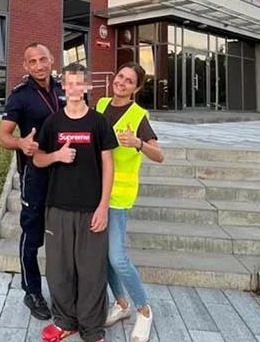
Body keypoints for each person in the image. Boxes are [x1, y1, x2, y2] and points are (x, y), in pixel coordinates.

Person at [34, 64, 117, 342]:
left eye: (78, 83)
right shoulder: (54, 123)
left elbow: (108, 163)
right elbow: (38, 159)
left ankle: (92, 329)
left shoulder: (98, 122)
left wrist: (103, 205)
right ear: (63, 88)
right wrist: (56, 156)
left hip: (90, 209)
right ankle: (64, 322)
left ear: (87, 87)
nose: (72, 89)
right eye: (68, 84)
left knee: (92, 271)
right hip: (58, 207)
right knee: (59, 270)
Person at [0, 42, 65, 320]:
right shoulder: (20, 96)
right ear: (25, 66)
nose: (39, 65)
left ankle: (65, 289)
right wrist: (20, 143)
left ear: (52, 60)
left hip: (65, 171)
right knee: (32, 234)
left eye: (43, 59)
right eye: (32, 61)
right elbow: (2, 137)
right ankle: (32, 291)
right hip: (34, 174)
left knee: (63, 233)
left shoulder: (64, 89)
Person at [99, 62, 163, 342]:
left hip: (119, 196)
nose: (121, 82)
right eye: (120, 77)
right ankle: (121, 305)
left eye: (128, 81)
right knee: (103, 258)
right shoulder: (100, 105)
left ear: (136, 88)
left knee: (117, 257)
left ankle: (144, 309)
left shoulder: (138, 116)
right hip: (93, 192)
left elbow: (159, 155)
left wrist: (138, 143)